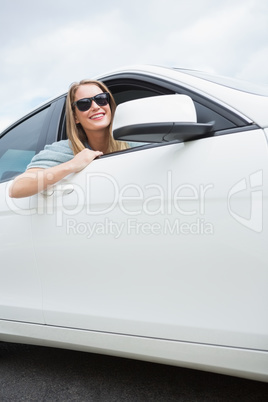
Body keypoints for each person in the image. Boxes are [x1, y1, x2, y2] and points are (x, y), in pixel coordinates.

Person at [9, 80, 128, 198]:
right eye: (84, 104)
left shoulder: (135, 141)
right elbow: (17, 188)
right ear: (75, 117)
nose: (96, 107)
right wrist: (73, 165)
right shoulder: (64, 150)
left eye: (101, 99)